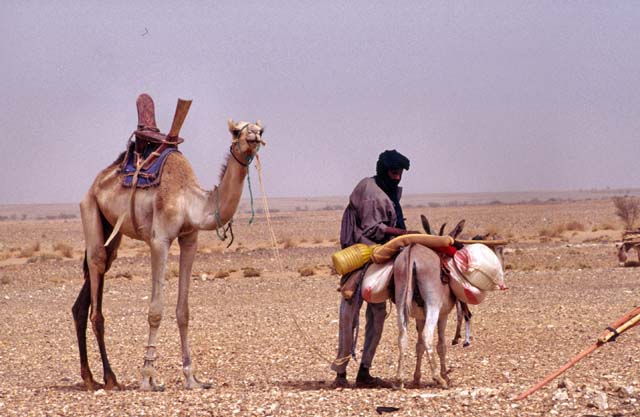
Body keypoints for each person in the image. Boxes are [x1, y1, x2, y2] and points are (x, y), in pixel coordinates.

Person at [331, 149, 414, 388]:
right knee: (349, 314)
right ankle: (340, 373)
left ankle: (364, 371)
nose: (397, 177)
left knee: (378, 314)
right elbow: (372, 229)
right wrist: (405, 234)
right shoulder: (372, 193)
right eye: (394, 173)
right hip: (361, 254)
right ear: (384, 170)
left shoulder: (386, 190)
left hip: (380, 256)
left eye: (400, 174)